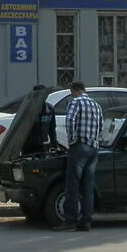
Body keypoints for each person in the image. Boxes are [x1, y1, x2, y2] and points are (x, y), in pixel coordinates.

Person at [54, 81, 103, 231]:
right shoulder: (96, 105)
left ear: (74, 90)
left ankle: (70, 220)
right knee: (88, 186)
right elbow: (101, 126)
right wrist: (96, 140)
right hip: (93, 148)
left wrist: (72, 139)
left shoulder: (75, 102)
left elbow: (69, 120)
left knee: (72, 185)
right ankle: (86, 221)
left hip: (80, 146)